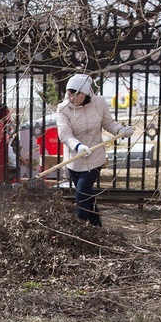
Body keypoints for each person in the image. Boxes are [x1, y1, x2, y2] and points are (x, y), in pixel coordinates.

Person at [55, 73, 134, 227]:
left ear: (86, 93)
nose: (73, 98)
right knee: (87, 195)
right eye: (70, 93)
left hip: (94, 157)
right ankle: (96, 225)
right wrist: (78, 146)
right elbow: (64, 134)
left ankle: (80, 227)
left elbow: (108, 123)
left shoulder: (99, 103)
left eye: (78, 94)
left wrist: (120, 130)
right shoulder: (62, 108)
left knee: (82, 192)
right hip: (74, 159)